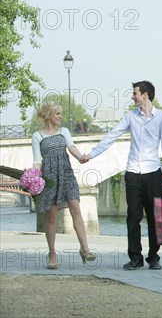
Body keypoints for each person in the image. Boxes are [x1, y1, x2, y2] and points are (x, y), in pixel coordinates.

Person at [82, 81, 162, 270]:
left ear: (145, 95)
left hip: (153, 173)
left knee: (155, 217)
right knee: (133, 216)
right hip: (133, 173)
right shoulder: (130, 117)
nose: (133, 97)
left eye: (135, 93)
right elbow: (111, 136)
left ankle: (153, 257)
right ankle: (135, 257)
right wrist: (91, 154)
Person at [31, 101, 96, 269]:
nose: (60, 116)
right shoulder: (37, 136)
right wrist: (33, 176)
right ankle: (52, 252)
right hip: (50, 178)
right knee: (51, 216)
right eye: (57, 113)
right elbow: (37, 160)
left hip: (67, 174)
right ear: (48, 115)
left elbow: (71, 147)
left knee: (76, 208)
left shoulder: (64, 131)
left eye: (60, 113)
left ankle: (85, 248)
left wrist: (80, 157)